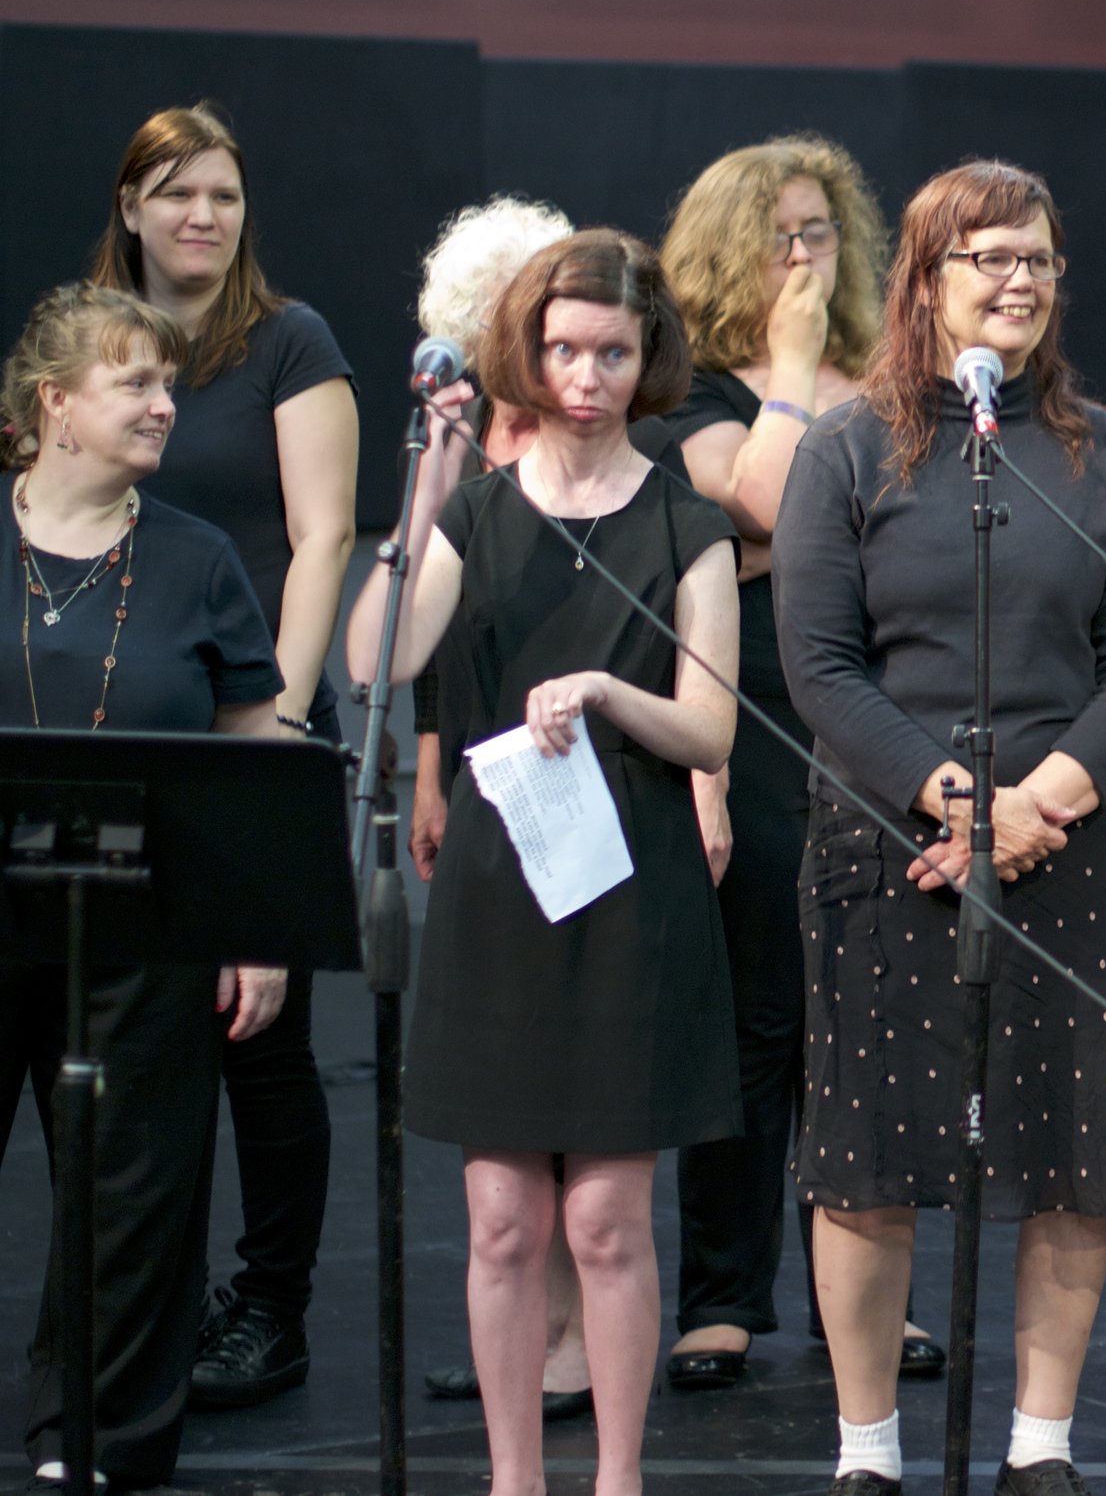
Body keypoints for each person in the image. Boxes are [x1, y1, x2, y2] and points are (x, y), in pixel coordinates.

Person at [774, 159, 1106, 1496]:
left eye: (1038, 259)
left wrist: (1041, 803)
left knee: (1074, 1148)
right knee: (869, 1153)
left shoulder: (1100, 446)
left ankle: (1042, 1442)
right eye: (987, 257)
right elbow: (822, 664)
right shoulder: (845, 446)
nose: (1017, 280)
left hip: (1063, 838)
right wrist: (952, 801)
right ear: (925, 279)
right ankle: (869, 1447)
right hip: (891, 842)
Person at [346, 229, 743, 1496]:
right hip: (501, 887)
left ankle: (616, 1478)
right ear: (534, 348)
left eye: (612, 351)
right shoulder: (476, 512)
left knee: (606, 1220)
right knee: (505, 1221)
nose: (585, 375)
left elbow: (712, 725)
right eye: (565, 348)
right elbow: (376, 659)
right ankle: (516, 1480)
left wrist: (611, 692)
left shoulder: (688, 520)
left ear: (648, 357)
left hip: (632, 890)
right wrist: (425, 488)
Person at [648, 134, 946, 1390]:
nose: (803, 251)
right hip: (761, 704)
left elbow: (902, 547)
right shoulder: (699, 388)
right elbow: (755, 506)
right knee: (761, 1006)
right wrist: (786, 359)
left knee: (875, 1009)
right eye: (777, 232)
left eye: (820, 228)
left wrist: (793, 547)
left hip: (880, 703)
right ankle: (723, 1292)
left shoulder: (889, 381)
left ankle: (863, 1301)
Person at [87, 102, 359, 1408]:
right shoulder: (88, 345)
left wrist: (280, 722)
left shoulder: (287, 341)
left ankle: (270, 1307)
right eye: (179, 192)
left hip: (256, 728)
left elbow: (322, 539)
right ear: (131, 206)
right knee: (135, 1035)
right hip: (120, 733)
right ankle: (151, 1295)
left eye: (227, 195)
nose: (204, 215)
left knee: (261, 1032)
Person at [0, 283, 286, 1488]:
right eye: (137, 382)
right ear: (55, 401)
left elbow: (253, 749)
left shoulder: (196, 555)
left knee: (135, 1194)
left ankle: (99, 1446)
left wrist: (258, 928)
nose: (167, 405)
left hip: (147, 920)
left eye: (171, 384)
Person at [391, 197, 606, 1424]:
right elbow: (430, 634)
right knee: (509, 1099)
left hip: (587, 764)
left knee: (585, 1096)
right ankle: (523, 1326)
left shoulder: (601, 438)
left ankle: (579, 1330)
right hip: (479, 764)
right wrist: (427, 765)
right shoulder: (456, 440)